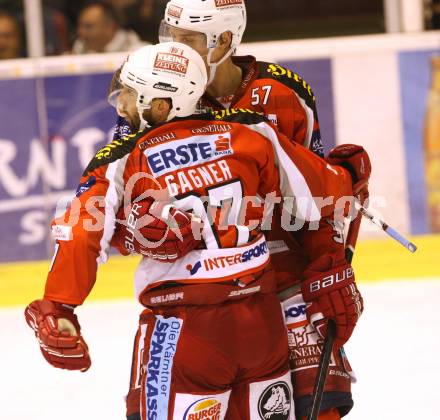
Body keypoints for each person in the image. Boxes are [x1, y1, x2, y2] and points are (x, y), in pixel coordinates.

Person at [24, 42, 364, 420]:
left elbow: (80, 233)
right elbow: (325, 195)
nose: (122, 107)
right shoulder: (252, 132)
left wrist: (58, 304)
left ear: (160, 105)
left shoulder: (121, 159)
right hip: (262, 324)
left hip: (185, 331)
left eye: (131, 96)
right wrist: (350, 174)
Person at [122, 1, 370, 418]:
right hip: (202, 297)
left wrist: (330, 261)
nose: (174, 49)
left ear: (224, 39)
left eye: (187, 39)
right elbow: (124, 182)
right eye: (170, 35)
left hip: (286, 277)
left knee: (319, 404)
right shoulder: (160, 89)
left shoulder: (284, 94)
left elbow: (315, 195)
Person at [72, 2, 145, 54]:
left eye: (88, 27)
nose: (80, 32)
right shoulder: (78, 50)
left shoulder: (142, 54)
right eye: (80, 26)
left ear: (110, 27)